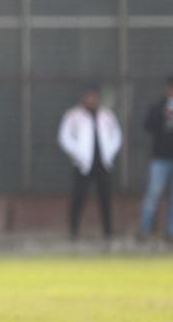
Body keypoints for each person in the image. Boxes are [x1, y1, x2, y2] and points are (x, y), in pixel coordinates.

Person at [57, 84, 121, 241]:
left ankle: (108, 231)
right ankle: (73, 230)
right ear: (84, 97)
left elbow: (117, 137)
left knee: (105, 198)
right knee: (79, 197)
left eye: (94, 96)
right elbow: (64, 138)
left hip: (103, 164)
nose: (91, 100)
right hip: (83, 164)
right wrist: (78, 154)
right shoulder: (73, 115)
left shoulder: (107, 115)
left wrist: (109, 154)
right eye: (89, 96)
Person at [136, 76, 173, 241]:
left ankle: (170, 232)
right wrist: (163, 114)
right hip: (160, 159)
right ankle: (144, 229)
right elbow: (148, 126)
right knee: (153, 194)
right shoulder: (158, 107)